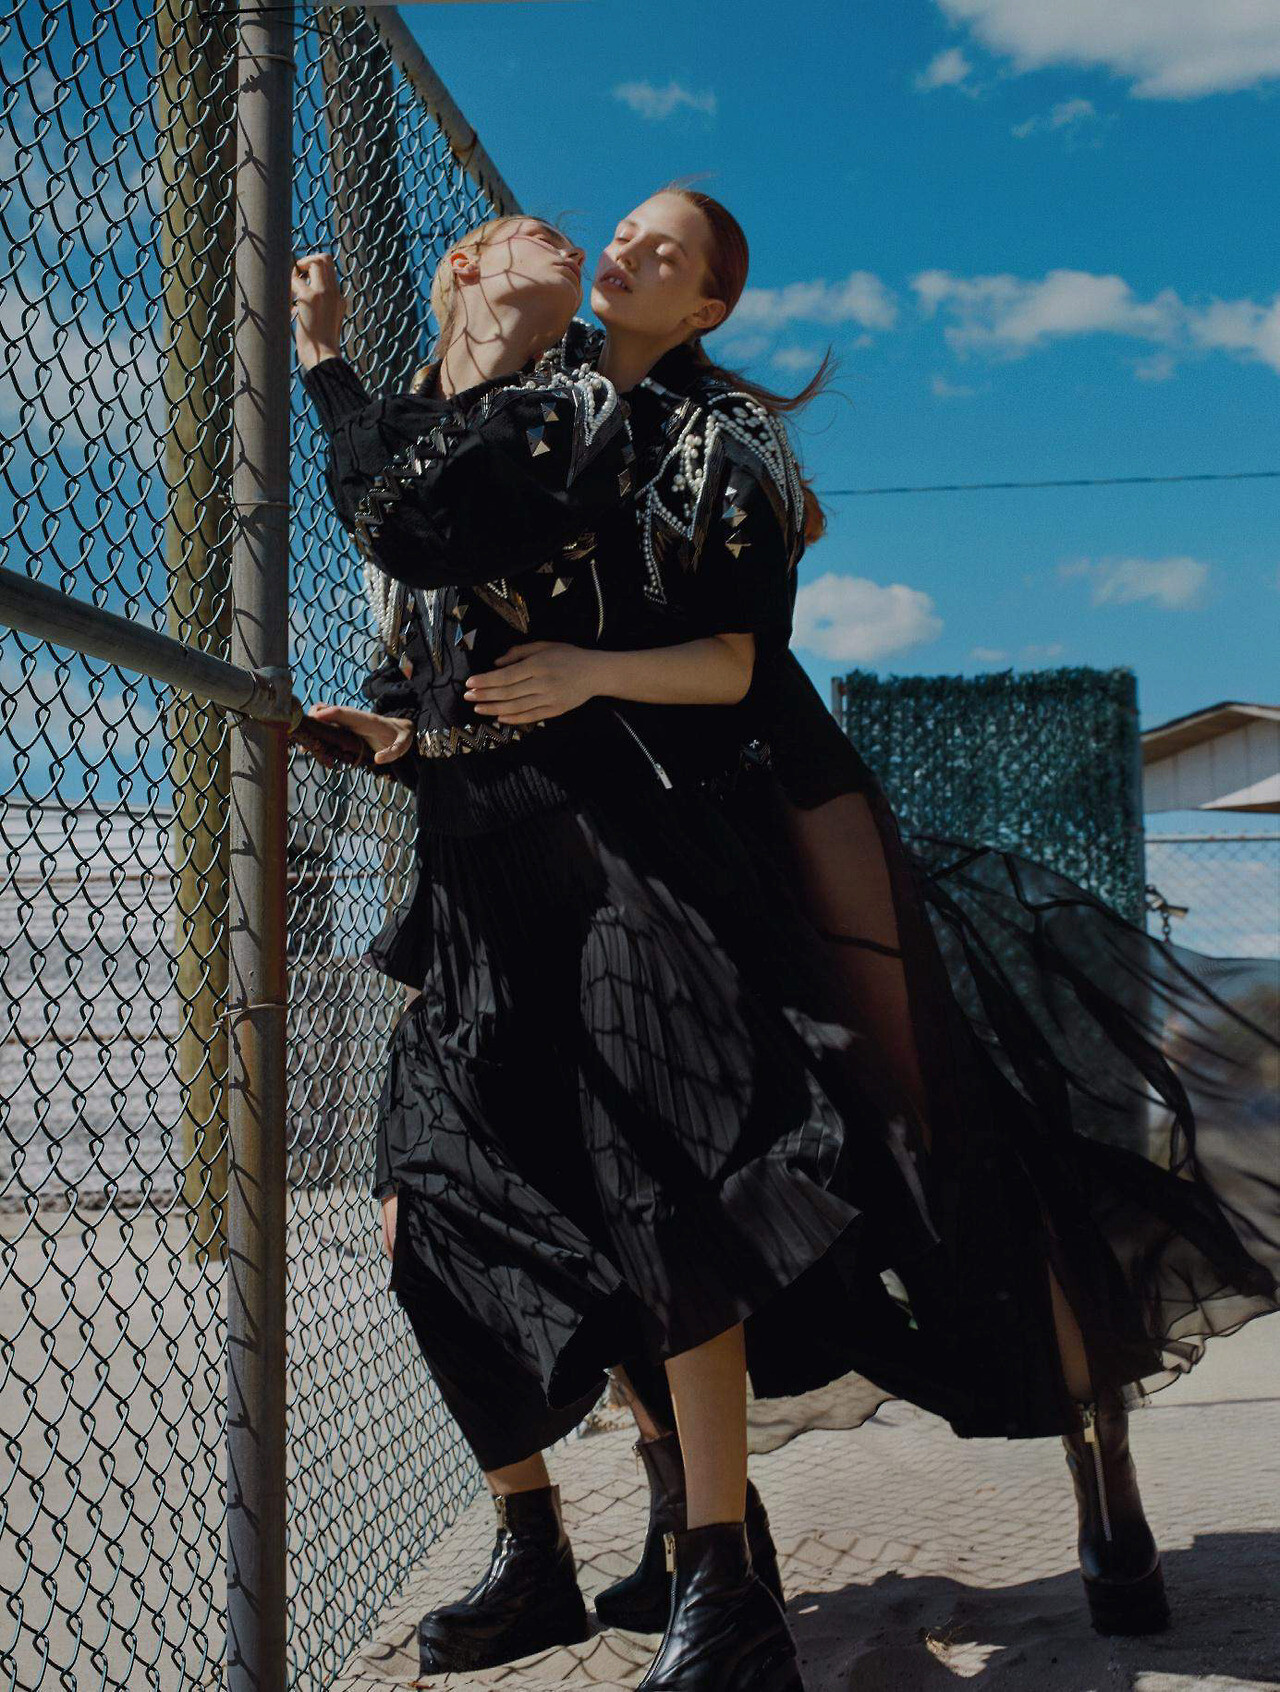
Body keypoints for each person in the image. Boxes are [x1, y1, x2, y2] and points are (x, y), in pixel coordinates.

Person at [293, 193, 1279, 1686]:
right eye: (623, 230)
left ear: (707, 310)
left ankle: (1099, 1467)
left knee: (934, 1161)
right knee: (562, 1190)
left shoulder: (717, 438)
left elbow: (741, 665)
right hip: (556, 838)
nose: (624, 249)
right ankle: (676, 1530)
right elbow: (428, 556)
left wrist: (587, 672)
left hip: (741, 812)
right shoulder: (538, 407)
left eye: (665, 251)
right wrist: (421, 719)